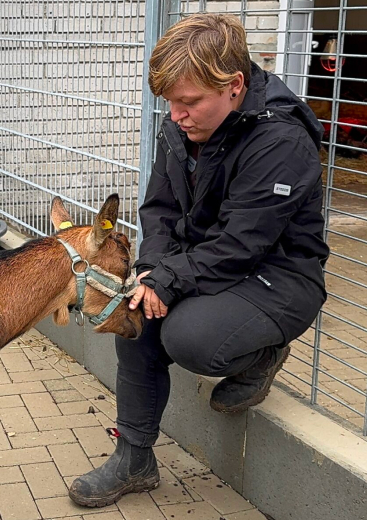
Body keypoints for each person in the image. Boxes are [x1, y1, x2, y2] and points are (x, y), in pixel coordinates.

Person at [69, 13, 329, 508]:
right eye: (170, 103)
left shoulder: (281, 142)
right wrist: (152, 273)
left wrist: (170, 276)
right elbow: (160, 210)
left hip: (278, 278)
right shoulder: (182, 127)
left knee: (190, 338)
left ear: (233, 86)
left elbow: (242, 244)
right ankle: (135, 458)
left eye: (189, 103)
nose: (176, 115)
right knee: (138, 314)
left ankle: (262, 355)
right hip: (208, 263)